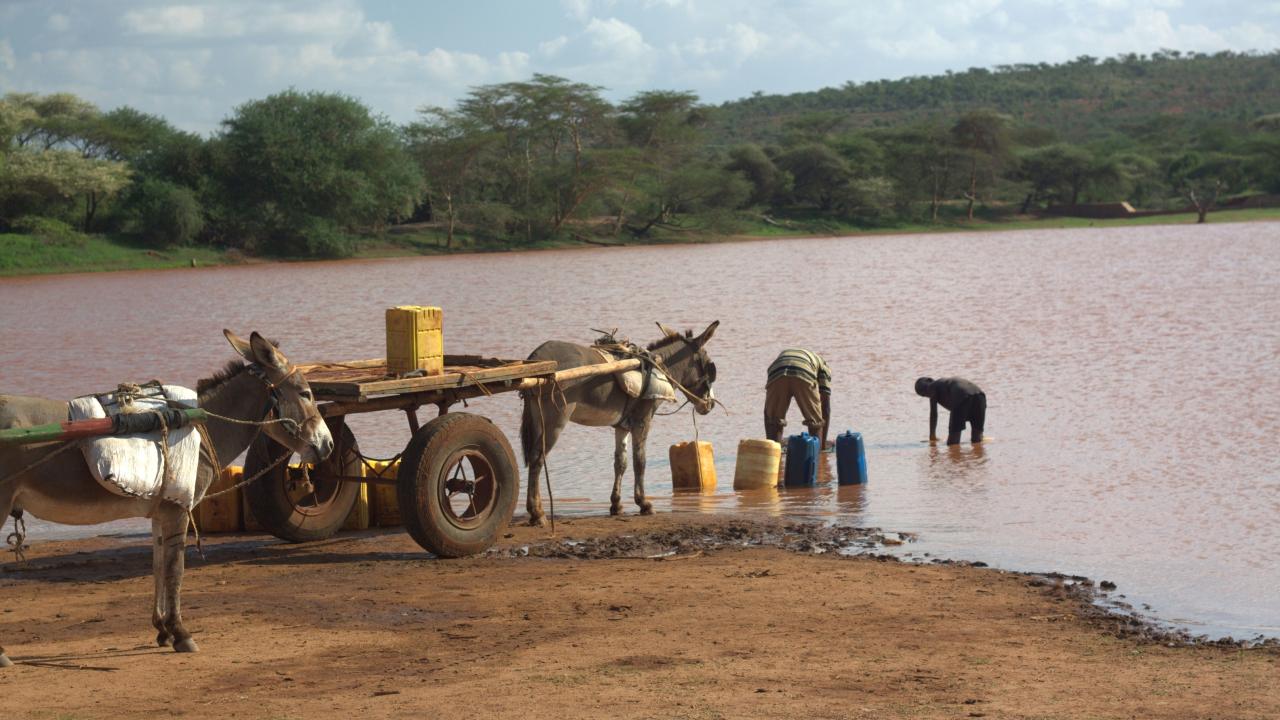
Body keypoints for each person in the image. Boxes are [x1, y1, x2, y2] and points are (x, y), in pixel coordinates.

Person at [764, 348, 832, 449]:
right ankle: (817, 453)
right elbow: (825, 406)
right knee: (815, 421)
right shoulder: (824, 367)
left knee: (773, 420)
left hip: (777, 369)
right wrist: (823, 444)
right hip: (804, 370)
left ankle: (772, 455)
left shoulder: (799, 355)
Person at [914, 376, 985, 445]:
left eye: (923, 393)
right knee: (977, 440)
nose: (926, 395)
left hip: (961, 395)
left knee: (953, 443)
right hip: (980, 395)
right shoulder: (943, 384)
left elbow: (933, 414)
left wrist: (932, 436)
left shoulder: (932, 387)